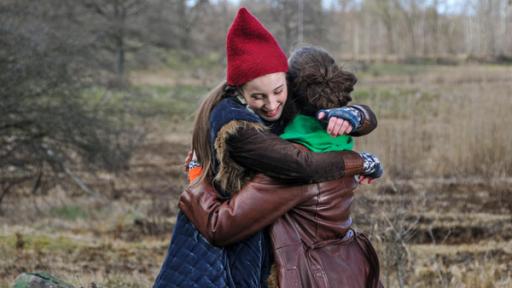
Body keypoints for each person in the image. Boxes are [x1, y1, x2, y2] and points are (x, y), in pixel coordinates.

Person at [152, 8, 380, 288]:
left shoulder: (288, 166)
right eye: (258, 96)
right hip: (342, 269)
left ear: (291, 87)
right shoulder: (334, 132)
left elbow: (219, 227)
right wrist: (360, 127)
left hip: (308, 276)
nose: (271, 105)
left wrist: (196, 178)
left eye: (278, 92)